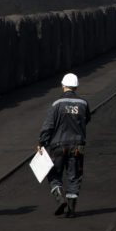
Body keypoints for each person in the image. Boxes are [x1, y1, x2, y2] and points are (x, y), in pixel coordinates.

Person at [37, 73, 91, 217]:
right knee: (74, 176)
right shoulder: (83, 103)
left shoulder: (56, 104)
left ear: (63, 86)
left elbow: (48, 125)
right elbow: (86, 120)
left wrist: (42, 142)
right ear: (76, 86)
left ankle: (59, 197)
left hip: (58, 145)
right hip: (77, 146)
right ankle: (71, 210)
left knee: (54, 172)